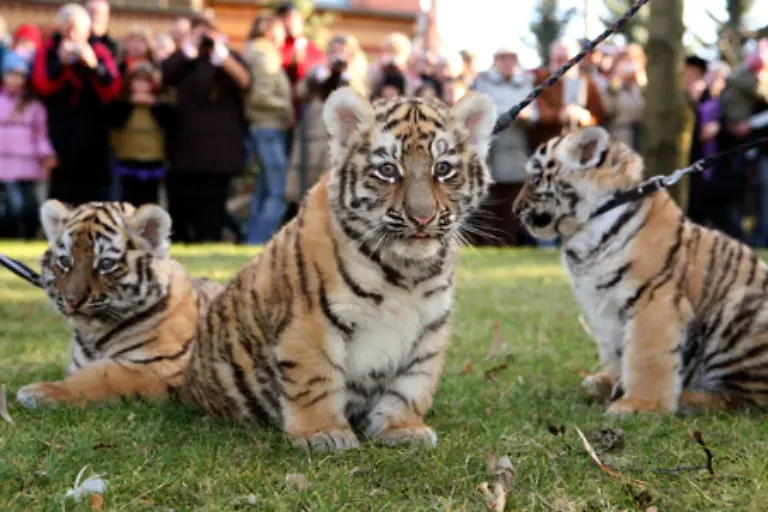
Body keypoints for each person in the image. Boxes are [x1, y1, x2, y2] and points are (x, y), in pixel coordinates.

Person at [161, 10, 251, 243]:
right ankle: (185, 239)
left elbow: (243, 82)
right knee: (185, 199)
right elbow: (164, 76)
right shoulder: (185, 60)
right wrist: (186, 51)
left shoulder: (230, 58)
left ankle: (210, 238)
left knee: (213, 201)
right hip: (187, 146)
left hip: (220, 147)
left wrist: (222, 58)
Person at [32, 3, 122, 206]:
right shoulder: (47, 50)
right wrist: (60, 64)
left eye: (77, 29)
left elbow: (113, 88)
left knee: (92, 191)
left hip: (93, 134)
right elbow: (41, 84)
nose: (72, 34)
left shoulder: (98, 49)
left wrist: (93, 65)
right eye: (67, 28)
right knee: (61, 192)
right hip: (59, 132)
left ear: (86, 30)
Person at [283, 34, 367, 222]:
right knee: (307, 186)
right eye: (334, 51)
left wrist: (346, 74)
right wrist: (321, 74)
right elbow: (300, 92)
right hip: (312, 136)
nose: (337, 56)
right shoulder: (318, 71)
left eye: (342, 52)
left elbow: (360, 101)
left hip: (341, 141)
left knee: (336, 188)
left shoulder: (357, 75)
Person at [470, 45, 538, 246]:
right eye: (503, 59)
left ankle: (511, 241)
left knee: (514, 198)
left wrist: (527, 116)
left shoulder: (525, 83)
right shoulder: (483, 82)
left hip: (517, 144)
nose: (507, 64)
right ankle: (490, 242)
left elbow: (535, 113)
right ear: (496, 61)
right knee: (491, 197)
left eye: (511, 59)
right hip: (491, 147)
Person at [242, 13, 293, 245]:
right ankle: (260, 240)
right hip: (268, 126)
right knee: (278, 191)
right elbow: (261, 96)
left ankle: (253, 237)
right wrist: (288, 109)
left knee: (264, 189)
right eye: (281, 29)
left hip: (265, 126)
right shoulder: (264, 53)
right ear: (270, 30)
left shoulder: (258, 51)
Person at [109, 28, 173, 206]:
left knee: (150, 200)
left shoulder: (161, 102)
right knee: (127, 199)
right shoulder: (122, 101)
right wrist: (130, 103)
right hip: (127, 156)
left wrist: (154, 104)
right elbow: (114, 121)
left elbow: (170, 122)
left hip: (153, 157)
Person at [0, 51, 57, 238]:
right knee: (12, 204)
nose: (15, 80)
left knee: (31, 205)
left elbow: (40, 135)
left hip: (29, 162)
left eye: (20, 76)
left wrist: (46, 155)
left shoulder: (34, 105)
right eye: (11, 75)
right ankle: (11, 236)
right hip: (5, 162)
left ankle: (30, 235)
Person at [720, 39, 768, 245]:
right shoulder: (743, 75)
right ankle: (742, 234)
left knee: (763, 191)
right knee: (742, 189)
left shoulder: (757, 79)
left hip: (761, 144)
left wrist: (750, 124)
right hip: (739, 142)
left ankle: (762, 235)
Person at [276, 2, 325, 156]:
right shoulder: (276, 47)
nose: (289, 23)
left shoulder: (311, 48)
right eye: (285, 19)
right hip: (281, 115)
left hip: (306, 116)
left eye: (293, 18)